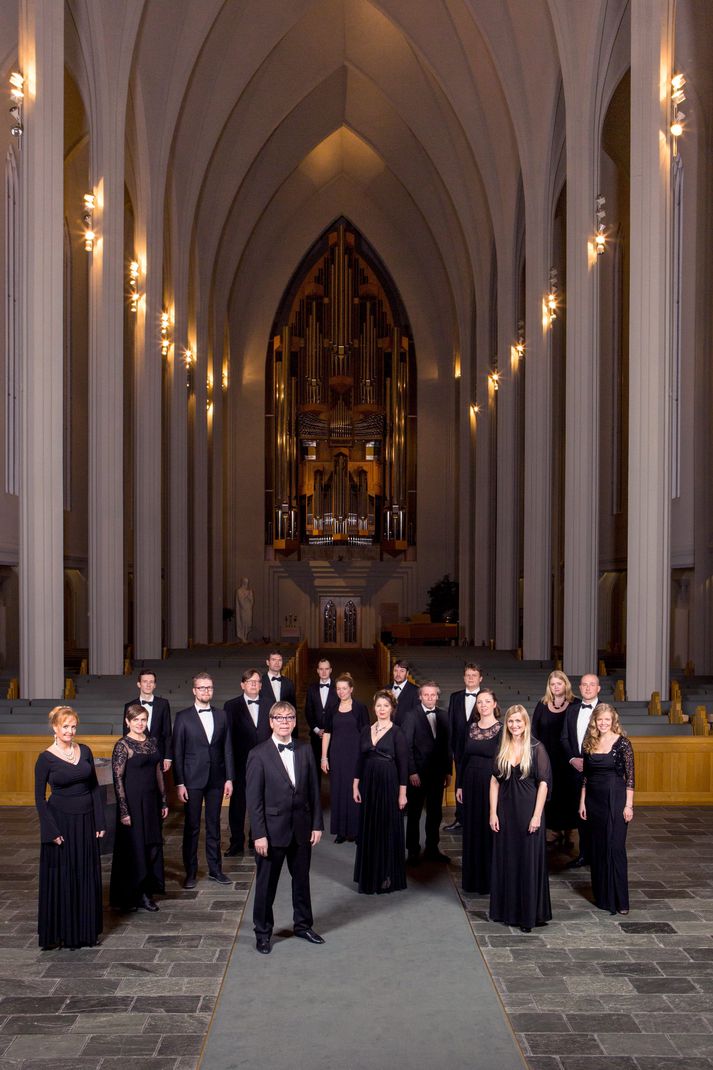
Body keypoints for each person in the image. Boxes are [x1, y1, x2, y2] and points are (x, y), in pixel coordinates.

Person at [246, 701, 324, 954]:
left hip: (301, 828)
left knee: (301, 881)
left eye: (289, 717)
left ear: (294, 721)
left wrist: (317, 824)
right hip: (271, 832)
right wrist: (259, 834)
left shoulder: (303, 749)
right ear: (271, 721)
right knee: (266, 885)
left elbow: (313, 789)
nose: (284, 722)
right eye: (279, 718)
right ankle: (263, 933)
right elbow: (254, 800)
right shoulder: (258, 754)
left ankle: (303, 925)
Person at [34, 706, 106, 949]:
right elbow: (39, 799)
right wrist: (50, 830)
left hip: (86, 821)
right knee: (64, 874)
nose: (70, 731)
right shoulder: (45, 758)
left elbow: (95, 787)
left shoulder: (84, 750)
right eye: (65, 726)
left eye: (73, 726)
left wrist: (100, 820)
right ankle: (63, 932)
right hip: (61, 823)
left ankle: (86, 931)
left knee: (85, 873)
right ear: (55, 728)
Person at [489, 705, 552, 933]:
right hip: (506, 810)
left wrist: (537, 815)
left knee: (527, 861)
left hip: (528, 810)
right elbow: (495, 780)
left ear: (526, 723)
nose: (515, 726)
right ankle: (507, 911)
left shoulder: (537, 748)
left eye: (518, 721)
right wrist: (492, 812)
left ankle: (528, 915)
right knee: (508, 858)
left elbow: (544, 783)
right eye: (511, 722)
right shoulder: (503, 747)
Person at [173, 672, 234, 888]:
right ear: (194, 690)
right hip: (192, 779)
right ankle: (190, 872)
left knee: (214, 825)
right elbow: (177, 752)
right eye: (201, 688)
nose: (205, 691)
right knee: (191, 827)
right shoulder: (182, 717)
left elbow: (227, 748)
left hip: (217, 778)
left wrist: (229, 778)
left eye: (209, 687)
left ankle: (215, 870)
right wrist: (179, 782)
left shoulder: (222, 715)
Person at [109, 704, 168, 912]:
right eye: (136, 720)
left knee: (152, 844)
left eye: (143, 720)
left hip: (151, 802)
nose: (140, 724)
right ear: (127, 721)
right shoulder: (122, 745)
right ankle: (136, 894)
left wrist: (163, 800)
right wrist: (124, 810)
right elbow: (117, 779)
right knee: (135, 847)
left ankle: (147, 888)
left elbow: (159, 772)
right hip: (132, 802)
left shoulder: (152, 743)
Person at [579, 703, 634, 916]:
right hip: (593, 799)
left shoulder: (623, 744)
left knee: (615, 848)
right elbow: (586, 775)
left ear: (613, 721)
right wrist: (582, 801)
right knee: (599, 848)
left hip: (616, 798)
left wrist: (628, 805)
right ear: (595, 721)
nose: (603, 723)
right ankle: (602, 896)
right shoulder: (589, 742)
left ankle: (620, 900)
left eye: (607, 720)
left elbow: (630, 778)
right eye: (600, 720)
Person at [352, 690, 408, 894]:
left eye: (386, 706)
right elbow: (360, 758)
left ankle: (387, 875)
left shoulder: (397, 732)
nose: (382, 709)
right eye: (378, 706)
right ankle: (369, 874)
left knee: (386, 828)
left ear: (392, 709)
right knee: (370, 827)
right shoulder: (366, 729)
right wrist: (355, 784)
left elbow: (403, 766)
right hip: (368, 782)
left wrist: (402, 793)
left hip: (389, 782)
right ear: (373, 708)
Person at [456, 687, 501, 895]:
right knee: (472, 828)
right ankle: (473, 878)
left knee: (488, 828)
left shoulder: (502, 729)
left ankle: (490, 879)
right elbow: (464, 758)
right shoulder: (471, 727)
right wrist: (459, 784)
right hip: (470, 781)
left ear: (494, 704)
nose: (482, 705)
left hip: (491, 782)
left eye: (486, 701)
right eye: (479, 702)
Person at [223, 669, 273, 856]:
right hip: (240, 763)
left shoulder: (270, 703)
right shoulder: (231, 706)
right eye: (250, 681)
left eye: (257, 682)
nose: (254, 684)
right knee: (237, 804)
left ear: (261, 685)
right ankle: (236, 842)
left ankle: (257, 837)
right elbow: (227, 738)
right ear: (242, 684)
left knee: (262, 801)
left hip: (265, 763)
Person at [403, 680, 451, 864]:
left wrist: (448, 771)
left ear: (437, 697)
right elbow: (407, 746)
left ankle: (432, 848)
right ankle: (413, 850)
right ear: (420, 696)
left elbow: (447, 746)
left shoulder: (444, 716)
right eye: (426, 695)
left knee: (435, 813)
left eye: (433, 695)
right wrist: (412, 771)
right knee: (414, 813)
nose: (430, 698)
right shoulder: (411, 716)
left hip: (438, 773)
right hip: (418, 774)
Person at [321, 673, 370, 842]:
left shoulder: (360, 708)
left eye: (344, 689)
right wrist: (324, 757)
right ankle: (341, 831)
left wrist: (366, 757)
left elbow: (366, 735)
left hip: (355, 754)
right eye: (338, 689)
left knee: (355, 790)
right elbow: (327, 733)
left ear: (351, 689)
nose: (341, 692)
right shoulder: (332, 708)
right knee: (339, 790)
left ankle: (356, 831)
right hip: (336, 755)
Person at [560, 672, 601, 867]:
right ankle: (584, 854)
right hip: (575, 771)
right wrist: (572, 759)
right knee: (581, 813)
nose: (587, 688)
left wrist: (590, 761)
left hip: (598, 772)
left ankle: (598, 854)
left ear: (598, 688)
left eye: (591, 684)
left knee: (597, 814)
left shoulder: (606, 710)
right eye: (584, 685)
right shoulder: (572, 709)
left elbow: (610, 740)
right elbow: (564, 738)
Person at [532, 670, 576, 848]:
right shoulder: (542, 704)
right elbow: (534, 730)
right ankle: (554, 829)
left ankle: (569, 831)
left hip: (568, 758)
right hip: (547, 757)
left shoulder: (576, 704)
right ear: (549, 687)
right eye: (553, 684)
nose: (556, 687)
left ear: (566, 685)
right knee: (551, 793)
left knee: (568, 794)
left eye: (559, 683)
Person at [445, 662, 484, 831]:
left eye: (474, 675)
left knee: (478, 783)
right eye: (468, 675)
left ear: (480, 678)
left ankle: (477, 819)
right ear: (464, 678)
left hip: (479, 750)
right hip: (460, 748)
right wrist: (451, 749)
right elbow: (451, 725)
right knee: (459, 782)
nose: (470, 678)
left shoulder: (486, 697)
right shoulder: (455, 697)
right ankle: (460, 818)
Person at [124, 670, 173, 772]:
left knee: (159, 787)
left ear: (155, 685)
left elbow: (167, 732)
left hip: (159, 755)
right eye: (145, 681)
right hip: (137, 756)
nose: (148, 684)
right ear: (139, 684)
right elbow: (126, 733)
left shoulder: (163, 704)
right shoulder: (129, 705)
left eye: (151, 682)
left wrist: (167, 757)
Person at [304, 657, 338, 781]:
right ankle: (316, 799)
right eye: (321, 669)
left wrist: (330, 731)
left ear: (330, 670)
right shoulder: (311, 688)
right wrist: (317, 730)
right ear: (317, 671)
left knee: (334, 769)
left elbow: (340, 712)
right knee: (315, 770)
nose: (324, 672)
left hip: (334, 736)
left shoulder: (338, 688)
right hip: (316, 736)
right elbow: (308, 711)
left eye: (326, 669)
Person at [386, 659, 419, 726]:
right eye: (395, 671)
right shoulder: (386, 688)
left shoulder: (416, 691)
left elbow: (416, 716)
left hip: (405, 731)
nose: (398, 674)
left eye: (402, 671)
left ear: (407, 673)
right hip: (387, 730)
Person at [235, 577, 254, 642]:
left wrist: (250, 596)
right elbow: (241, 601)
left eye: (247, 583)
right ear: (242, 582)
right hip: (243, 610)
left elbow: (251, 602)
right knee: (243, 622)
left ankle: (245, 636)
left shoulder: (249, 591)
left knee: (248, 623)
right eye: (245, 582)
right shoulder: (239, 591)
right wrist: (246, 595)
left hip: (248, 609)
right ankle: (243, 637)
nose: (246, 584)